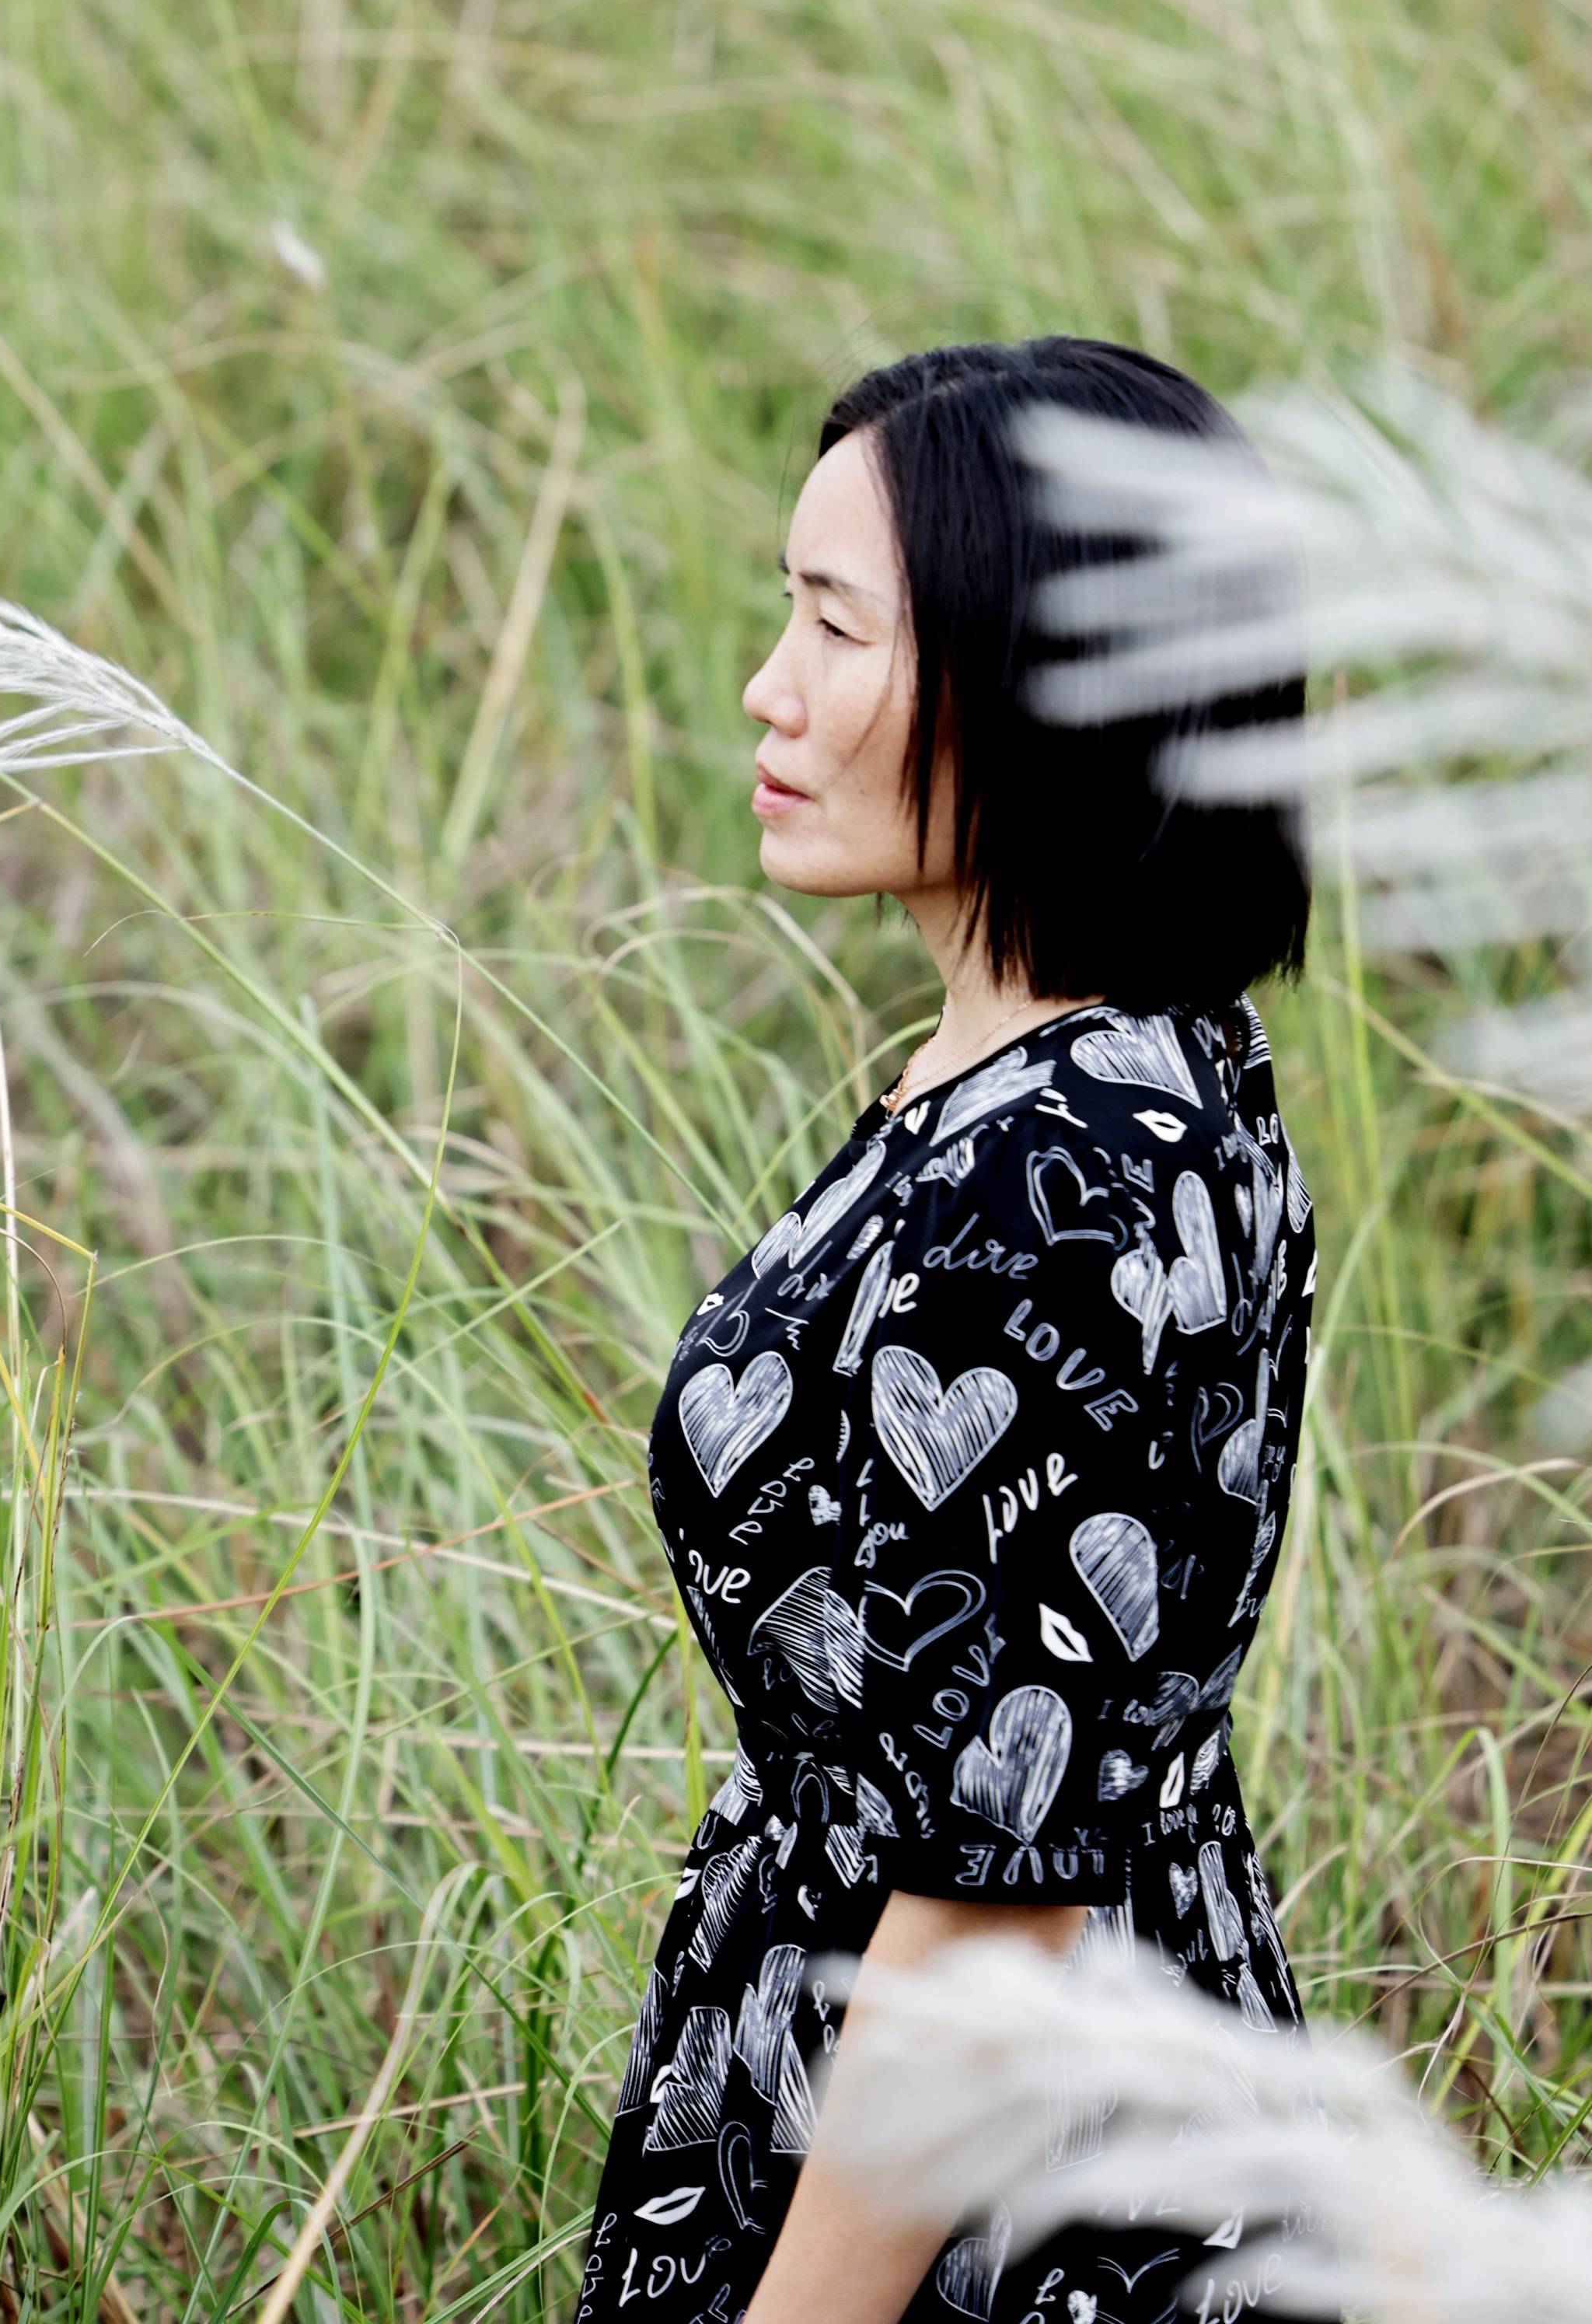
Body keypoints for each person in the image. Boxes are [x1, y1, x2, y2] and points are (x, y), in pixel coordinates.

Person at [567, 336, 1315, 2324]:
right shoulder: (1119, 1067)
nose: (767, 686)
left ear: (1040, 677)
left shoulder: (1054, 1178)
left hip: (988, 2188)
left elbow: (987, 1908)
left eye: (835, 625)